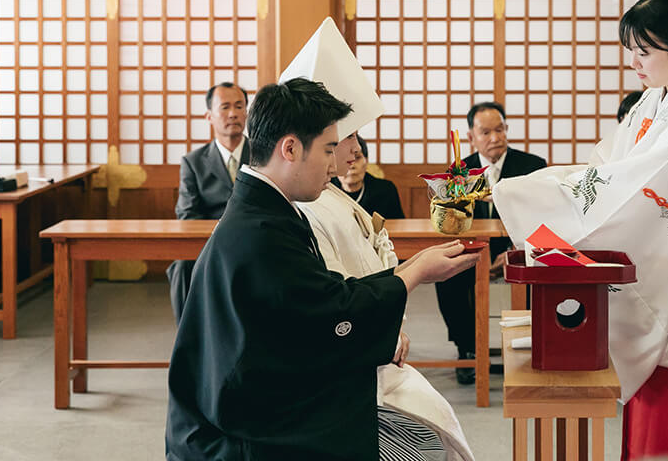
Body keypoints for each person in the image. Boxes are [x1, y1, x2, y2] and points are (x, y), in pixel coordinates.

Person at [166, 78, 479, 461]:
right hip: (242, 425)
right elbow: (330, 310)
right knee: (420, 439)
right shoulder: (259, 230)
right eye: (329, 149)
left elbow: (320, 296)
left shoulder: (269, 208)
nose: (335, 164)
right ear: (291, 148)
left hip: (262, 385)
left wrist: (412, 267)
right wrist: (413, 275)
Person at [493, 0, 668, 460]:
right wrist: (543, 186)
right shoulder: (659, 97)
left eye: (644, 52)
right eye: (631, 50)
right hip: (662, 261)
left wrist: (530, 193)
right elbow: (608, 165)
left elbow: (640, 186)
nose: (634, 63)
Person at [280, 17, 475, 460]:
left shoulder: (328, 193)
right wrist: (409, 281)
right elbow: (331, 297)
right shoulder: (303, 205)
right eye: (341, 139)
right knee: (428, 442)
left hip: (372, 343)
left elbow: (372, 266)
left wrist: (396, 313)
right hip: (340, 371)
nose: (351, 151)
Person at [434, 101, 546, 384]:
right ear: (471, 137)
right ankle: (467, 349)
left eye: (500, 129)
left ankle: (533, 346)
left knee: (542, 271)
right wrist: (478, 256)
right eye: (486, 132)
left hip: (519, 250)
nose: (495, 137)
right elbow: (455, 223)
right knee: (448, 278)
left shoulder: (533, 166)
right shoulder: (459, 171)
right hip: (474, 250)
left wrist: (512, 253)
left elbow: (542, 220)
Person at [165, 82, 249, 323]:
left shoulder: (263, 155)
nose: (233, 113)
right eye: (225, 107)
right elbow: (187, 214)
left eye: (239, 106)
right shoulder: (193, 162)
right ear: (209, 116)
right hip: (208, 242)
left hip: (254, 237)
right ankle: (188, 341)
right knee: (181, 267)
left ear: (247, 112)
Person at [331, 135, 405, 221]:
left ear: (366, 161)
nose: (352, 165)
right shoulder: (327, 190)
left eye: (357, 158)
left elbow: (398, 224)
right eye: (344, 159)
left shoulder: (386, 189)